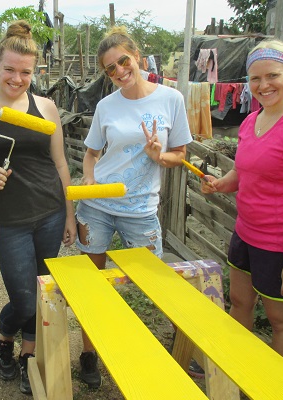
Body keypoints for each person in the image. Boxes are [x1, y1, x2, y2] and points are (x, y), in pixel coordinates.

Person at [0, 20, 76, 395]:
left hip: (50, 212)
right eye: (9, 69)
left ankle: (27, 357)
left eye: (25, 71)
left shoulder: (47, 108)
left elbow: (59, 164)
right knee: (23, 297)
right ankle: (5, 336)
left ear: (34, 71)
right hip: (9, 220)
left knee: (42, 293)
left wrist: (70, 214)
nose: (17, 78)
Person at [200, 39, 283, 364]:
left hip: (282, 244)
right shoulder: (251, 120)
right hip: (245, 234)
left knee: (280, 320)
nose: (263, 85)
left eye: (272, 75)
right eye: (255, 79)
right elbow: (244, 173)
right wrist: (220, 184)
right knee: (239, 302)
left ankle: (275, 390)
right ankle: (236, 367)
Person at [75, 26, 192, 388]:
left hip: (141, 208)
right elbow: (92, 153)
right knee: (91, 284)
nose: (119, 71)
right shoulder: (106, 105)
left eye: (123, 61)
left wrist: (162, 155)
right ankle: (89, 354)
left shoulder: (171, 99)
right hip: (96, 206)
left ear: (137, 57)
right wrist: (89, 177)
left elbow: (180, 156)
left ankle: (180, 352)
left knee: (154, 283)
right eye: (110, 69)